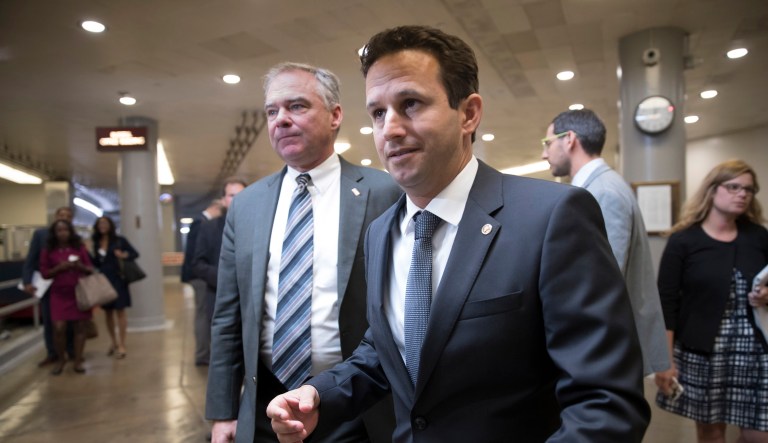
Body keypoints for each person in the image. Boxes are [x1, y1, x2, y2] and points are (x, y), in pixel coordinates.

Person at [267, 25, 649, 442]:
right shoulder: (382, 233)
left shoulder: (552, 218)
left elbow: (605, 403)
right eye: (378, 113)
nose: (389, 129)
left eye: (410, 104)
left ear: (468, 114)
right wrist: (319, 396)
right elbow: (386, 350)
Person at [205, 62, 401, 443]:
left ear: (335, 116)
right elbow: (228, 316)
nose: (280, 119)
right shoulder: (246, 206)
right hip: (266, 403)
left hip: (356, 405)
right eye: (271, 111)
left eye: (296, 106)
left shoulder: (385, 193)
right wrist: (223, 411)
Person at [541, 108, 669, 375]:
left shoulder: (603, 192)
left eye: (548, 143)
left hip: (606, 350)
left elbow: (601, 285)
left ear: (569, 139)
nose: (544, 153)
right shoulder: (599, 188)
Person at [655, 159, 768, 442]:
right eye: (734, 187)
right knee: (711, 433)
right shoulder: (684, 241)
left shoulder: (758, 237)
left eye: (748, 189)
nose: (742, 194)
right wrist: (665, 360)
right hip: (704, 349)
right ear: (712, 189)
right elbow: (666, 304)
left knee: (758, 434)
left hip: (755, 349)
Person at [193, 177, 246, 341]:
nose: (237, 200)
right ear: (223, 200)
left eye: (242, 195)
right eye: (232, 195)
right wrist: (225, 279)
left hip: (252, 302)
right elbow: (198, 264)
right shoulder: (209, 228)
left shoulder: (261, 227)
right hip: (219, 298)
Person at [21, 206, 75, 367]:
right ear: (56, 216)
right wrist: (27, 281)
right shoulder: (41, 235)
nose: (64, 218)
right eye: (61, 215)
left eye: (68, 216)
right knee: (49, 319)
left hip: (68, 285)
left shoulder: (74, 236)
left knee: (71, 320)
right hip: (47, 284)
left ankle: (71, 351)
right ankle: (52, 353)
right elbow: (31, 259)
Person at [39, 219, 94, 375]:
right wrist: (59, 268)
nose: (63, 233)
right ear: (54, 233)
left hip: (78, 292)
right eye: (59, 230)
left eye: (65, 230)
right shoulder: (48, 251)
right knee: (59, 328)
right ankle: (61, 359)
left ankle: (77, 360)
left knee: (80, 327)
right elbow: (44, 273)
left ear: (70, 232)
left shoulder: (79, 248)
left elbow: (90, 268)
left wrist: (79, 266)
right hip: (59, 294)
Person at [180, 198, 222, 366]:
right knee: (204, 315)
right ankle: (203, 354)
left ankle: (204, 352)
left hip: (199, 275)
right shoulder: (202, 223)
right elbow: (198, 256)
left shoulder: (199, 222)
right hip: (201, 277)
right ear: (215, 208)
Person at [91, 215, 139, 359]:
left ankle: (122, 344)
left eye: (105, 223)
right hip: (104, 281)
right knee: (108, 313)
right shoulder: (96, 242)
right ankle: (113, 342)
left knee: (120, 311)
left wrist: (123, 255)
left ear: (110, 225)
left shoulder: (119, 240)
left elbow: (134, 254)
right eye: (100, 223)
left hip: (118, 279)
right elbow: (95, 263)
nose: (102, 226)